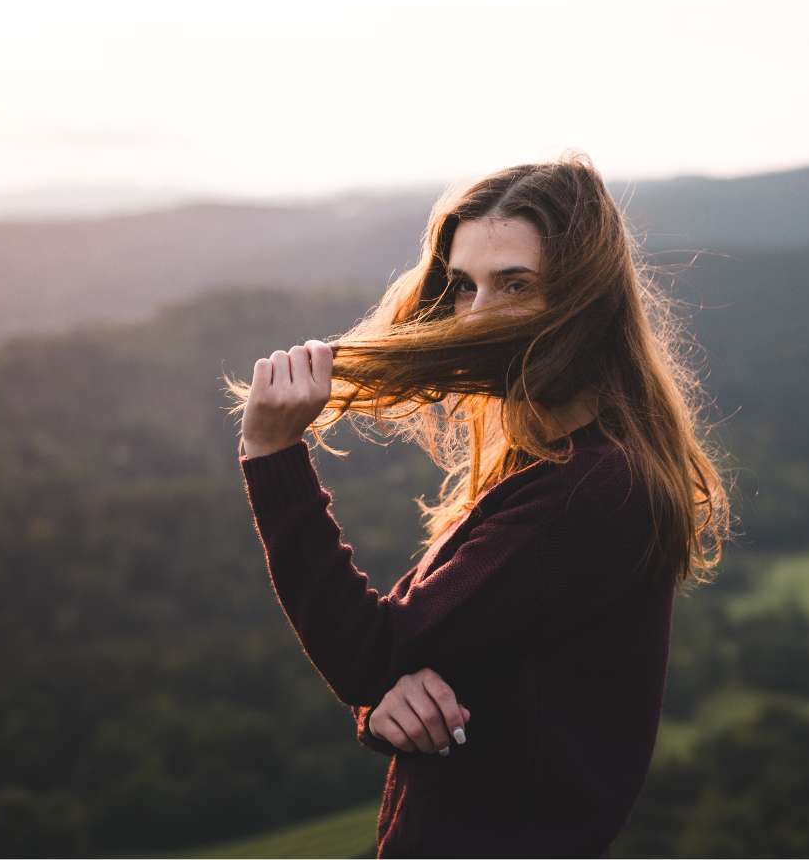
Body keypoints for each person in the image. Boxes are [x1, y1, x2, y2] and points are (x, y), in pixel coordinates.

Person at [226, 151, 736, 857]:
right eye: (463, 287)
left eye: (515, 284)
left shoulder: (591, 489)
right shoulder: (546, 462)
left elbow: (372, 648)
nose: (476, 317)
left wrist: (273, 453)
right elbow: (411, 654)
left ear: (585, 299)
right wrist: (384, 704)